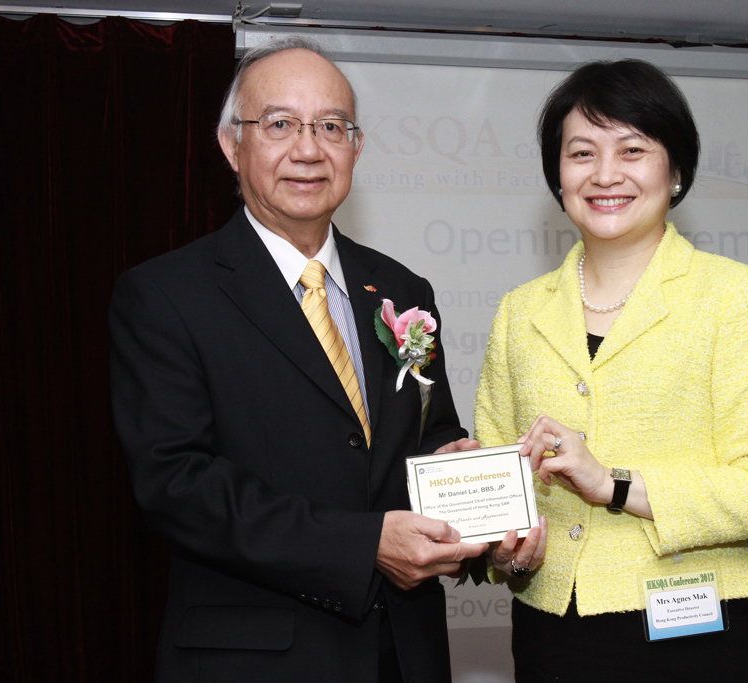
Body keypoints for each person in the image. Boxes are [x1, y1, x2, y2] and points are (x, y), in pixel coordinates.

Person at [109, 37, 490, 682]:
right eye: (280, 124)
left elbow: (430, 433)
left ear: (356, 148)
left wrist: (466, 477)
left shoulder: (402, 291)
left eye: (331, 127)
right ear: (232, 145)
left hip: (404, 653)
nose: (309, 150)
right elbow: (177, 485)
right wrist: (364, 546)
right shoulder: (166, 295)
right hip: (255, 659)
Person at [474, 59, 748, 682]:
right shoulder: (520, 312)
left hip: (700, 630)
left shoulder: (735, 296)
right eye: (581, 153)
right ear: (557, 175)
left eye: (633, 149)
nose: (605, 175)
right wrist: (500, 542)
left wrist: (614, 485)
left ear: (675, 170)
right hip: (553, 630)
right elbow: (505, 493)